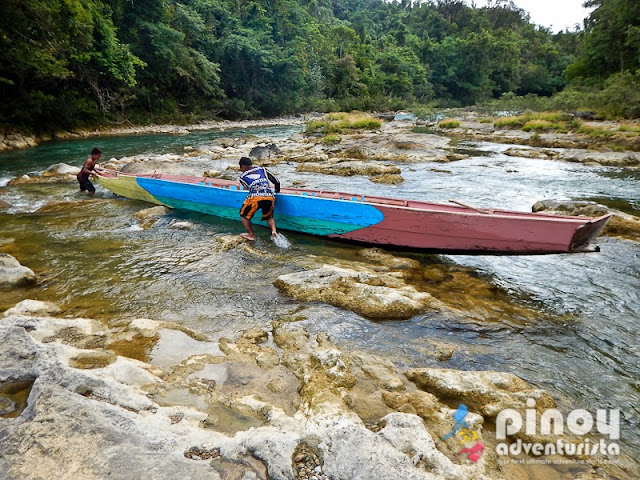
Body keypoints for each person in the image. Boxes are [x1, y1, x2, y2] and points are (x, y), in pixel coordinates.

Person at [238, 156, 280, 241]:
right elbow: (276, 181)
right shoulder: (263, 169)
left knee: (243, 216)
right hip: (269, 196)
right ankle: (274, 231)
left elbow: (249, 188)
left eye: (241, 167)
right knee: (269, 216)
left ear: (243, 166)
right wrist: (276, 192)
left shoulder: (242, 177)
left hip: (255, 198)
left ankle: (251, 235)